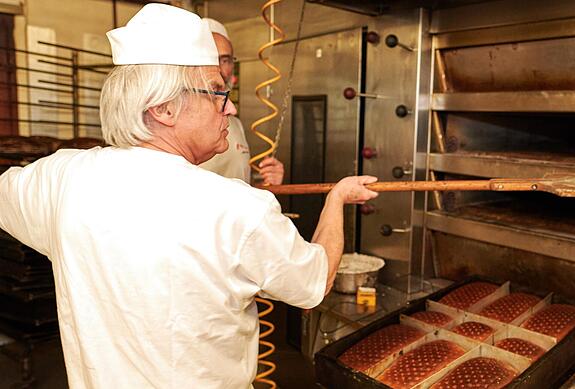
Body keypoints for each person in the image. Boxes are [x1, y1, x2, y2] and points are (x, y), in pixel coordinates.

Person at [0, 4, 377, 388]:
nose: (229, 107)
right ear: (163, 108)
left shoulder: (58, 179)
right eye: (216, 92)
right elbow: (312, 283)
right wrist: (337, 200)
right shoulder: (238, 209)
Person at [199, 17, 284, 185]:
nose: (220, 70)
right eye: (213, 59)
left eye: (226, 60)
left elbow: (240, 184)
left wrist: (269, 181)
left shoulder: (235, 124)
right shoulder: (184, 125)